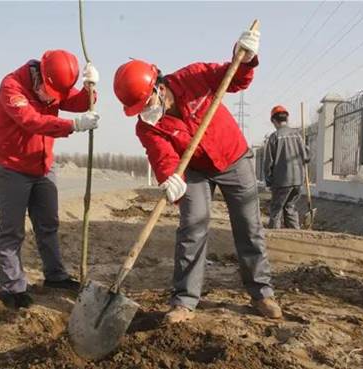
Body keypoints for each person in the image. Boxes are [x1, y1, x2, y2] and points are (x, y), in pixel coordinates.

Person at [112, 30, 282, 322]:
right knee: (192, 226)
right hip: (193, 170)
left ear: (159, 88)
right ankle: (184, 301)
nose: (146, 113)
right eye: (138, 110)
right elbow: (162, 156)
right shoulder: (147, 126)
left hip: (233, 158)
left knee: (248, 227)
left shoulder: (194, 77)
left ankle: (261, 293)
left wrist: (247, 58)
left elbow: (235, 77)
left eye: (146, 105)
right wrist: (170, 179)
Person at [0, 49, 100, 309]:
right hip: (12, 169)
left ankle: (55, 276)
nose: (54, 99)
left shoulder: (54, 85)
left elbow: (80, 103)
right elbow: (32, 122)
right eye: (52, 93)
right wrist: (72, 126)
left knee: (48, 225)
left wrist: (90, 89)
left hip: (43, 168)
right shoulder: (12, 87)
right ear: (40, 75)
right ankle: (13, 287)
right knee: (11, 231)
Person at [263, 105, 310, 229]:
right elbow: (306, 157)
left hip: (281, 181)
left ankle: (275, 237)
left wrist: (268, 180)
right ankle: (296, 236)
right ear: (286, 119)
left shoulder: (274, 137)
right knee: (290, 207)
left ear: (273, 120)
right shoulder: (297, 135)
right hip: (298, 180)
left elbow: (268, 162)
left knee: (276, 209)